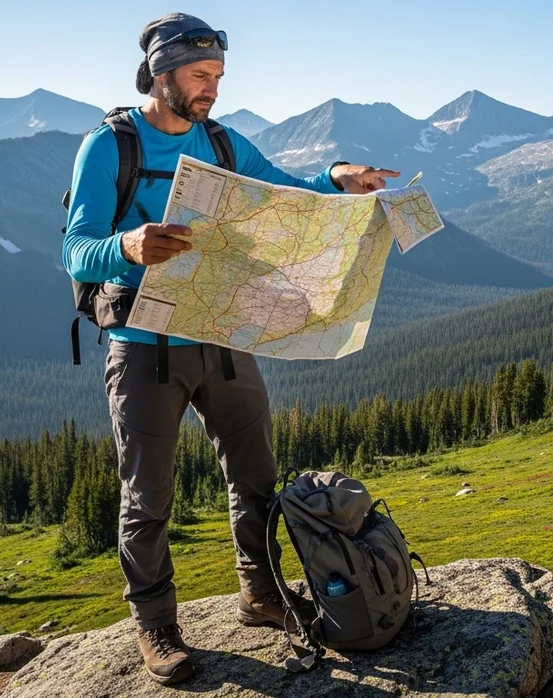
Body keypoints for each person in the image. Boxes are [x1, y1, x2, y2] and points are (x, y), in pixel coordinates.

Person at [62, 12, 399, 686]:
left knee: (256, 480)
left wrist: (338, 177)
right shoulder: (110, 146)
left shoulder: (220, 140)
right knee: (147, 497)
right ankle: (156, 626)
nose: (212, 87)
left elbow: (283, 191)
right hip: (142, 345)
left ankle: (260, 594)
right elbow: (74, 246)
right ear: (162, 73)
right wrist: (126, 246)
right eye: (199, 74)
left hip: (222, 333)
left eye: (217, 75)